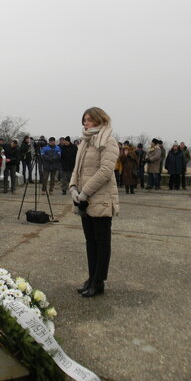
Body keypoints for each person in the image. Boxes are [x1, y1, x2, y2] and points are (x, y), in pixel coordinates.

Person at [69, 107, 119, 298]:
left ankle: (98, 282)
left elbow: (106, 171)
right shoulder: (85, 142)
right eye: (84, 120)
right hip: (83, 199)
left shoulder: (108, 141)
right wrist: (73, 187)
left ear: (99, 120)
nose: (85, 123)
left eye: (89, 119)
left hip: (100, 199)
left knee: (102, 241)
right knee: (90, 241)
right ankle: (91, 278)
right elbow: (77, 168)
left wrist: (85, 192)